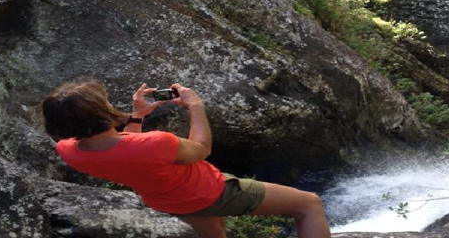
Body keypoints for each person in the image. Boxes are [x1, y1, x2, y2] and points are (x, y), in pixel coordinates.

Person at [42, 79, 332, 238]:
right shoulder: (156, 143)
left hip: (169, 200)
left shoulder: (68, 149)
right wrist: (196, 106)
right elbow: (201, 149)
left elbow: (124, 148)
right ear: (100, 113)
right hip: (212, 192)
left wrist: (137, 115)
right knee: (308, 204)